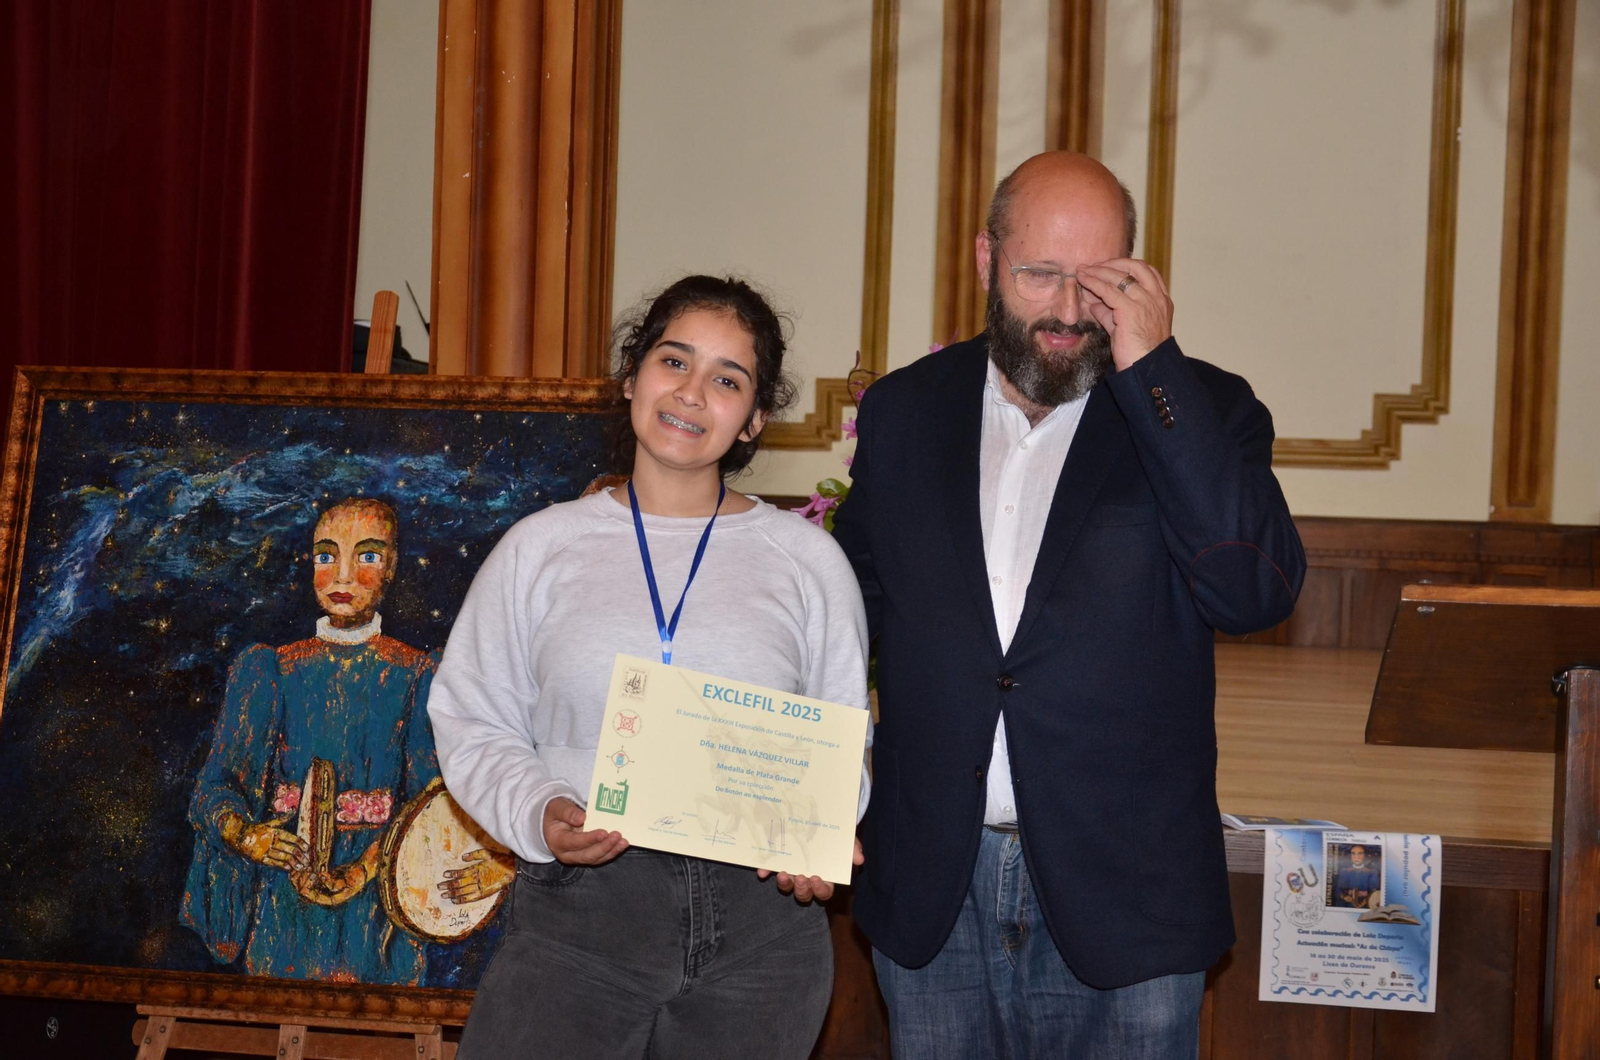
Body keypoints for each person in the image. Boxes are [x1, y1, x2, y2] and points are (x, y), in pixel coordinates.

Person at [831, 151, 1306, 1058]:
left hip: (1127, 896)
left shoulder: (1203, 407)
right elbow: (846, 614)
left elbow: (1253, 592)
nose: (1065, 310)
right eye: (1038, 274)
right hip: (933, 887)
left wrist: (1153, 369)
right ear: (984, 261)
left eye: (1098, 281)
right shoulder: (905, 410)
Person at [428, 275, 872, 1060]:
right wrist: (539, 809)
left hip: (761, 939)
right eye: (675, 362)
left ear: (755, 418)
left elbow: (843, 737)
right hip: (582, 916)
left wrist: (818, 830)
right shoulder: (540, 547)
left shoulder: (808, 561)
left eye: (727, 380)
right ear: (633, 376)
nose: (693, 394)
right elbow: (472, 716)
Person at [182, 498, 511, 984]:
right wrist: (247, 835)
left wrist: (360, 871)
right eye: (326, 556)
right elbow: (213, 789)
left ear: (392, 565)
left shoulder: (418, 675)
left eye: (368, 556)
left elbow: (432, 805)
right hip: (284, 903)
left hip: (380, 904)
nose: (343, 576)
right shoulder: (271, 671)